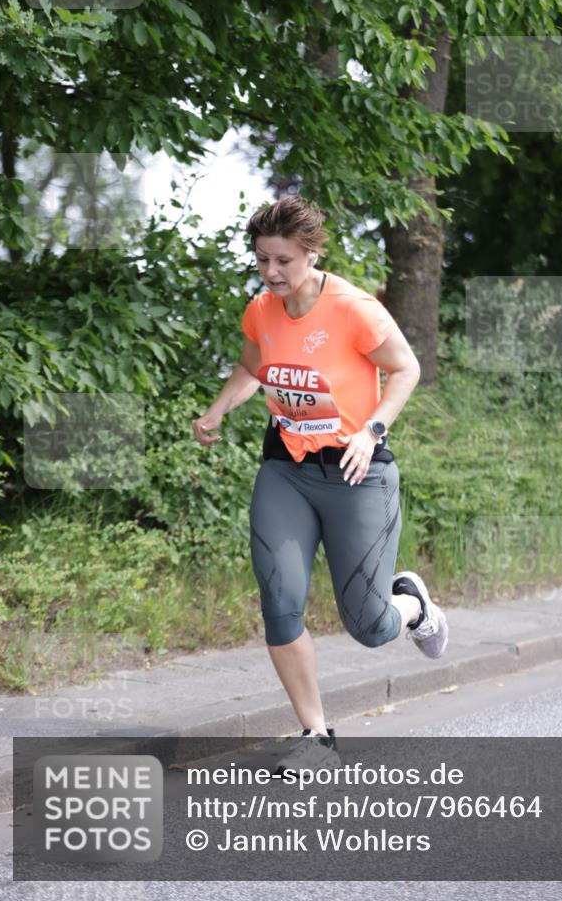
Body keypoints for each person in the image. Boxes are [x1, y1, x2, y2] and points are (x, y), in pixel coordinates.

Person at [192, 195, 448, 776]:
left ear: (311, 252)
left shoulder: (354, 308)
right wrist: (216, 411)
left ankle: (414, 604)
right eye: (262, 260)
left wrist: (371, 430)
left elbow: (405, 369)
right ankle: (316, 736)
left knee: (369, 626)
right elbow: (253, 369)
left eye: (282, 260)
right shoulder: (261, 309)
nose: (271, 272)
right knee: (280, 601)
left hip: (358, 474)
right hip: (286, 469)